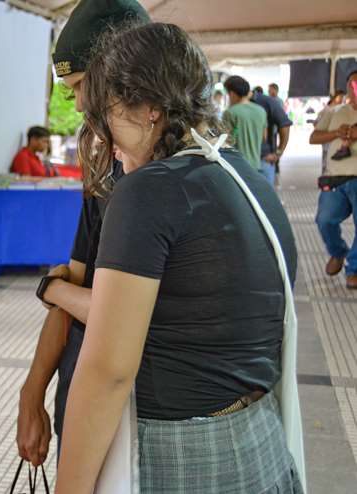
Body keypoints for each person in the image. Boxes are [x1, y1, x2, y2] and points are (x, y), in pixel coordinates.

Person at [55, 22, 301, 492]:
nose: (107, 141)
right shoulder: (244, 179)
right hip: (263, 445)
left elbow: (108, 369)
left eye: (106, 114)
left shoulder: (150, 191)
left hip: (184, 459)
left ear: (148, 109)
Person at [17, 0, 150, 467]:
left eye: (79, 87)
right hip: (80, 393)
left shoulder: (178, 188)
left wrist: (52, 288)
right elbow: (74, 283)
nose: (75, 104)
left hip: (142, 417)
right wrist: (32, 391)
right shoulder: (106, 172)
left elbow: (108, 315)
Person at [310, 70, 357, 289]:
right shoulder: (335, 111)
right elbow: (314, 137)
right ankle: (338, 252)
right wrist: (337, 133)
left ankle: (353, 269)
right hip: (335, 177)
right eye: (352, 84)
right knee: (324, 220)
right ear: (347, 87)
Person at [222, 75, 270, 184]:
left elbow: (225, 142)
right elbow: (264, 137)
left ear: (232, 94)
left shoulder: (230, 113)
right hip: (257, 166)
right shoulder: (261, 111)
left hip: (237, 168)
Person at [252, 84, 293, 188]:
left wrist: (278, 152)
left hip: (265, 155)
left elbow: (284, 124)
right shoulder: (271, 101)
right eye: (269, 90)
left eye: (271, 90)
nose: (270, 92)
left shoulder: (274, 101)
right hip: (264, 156)